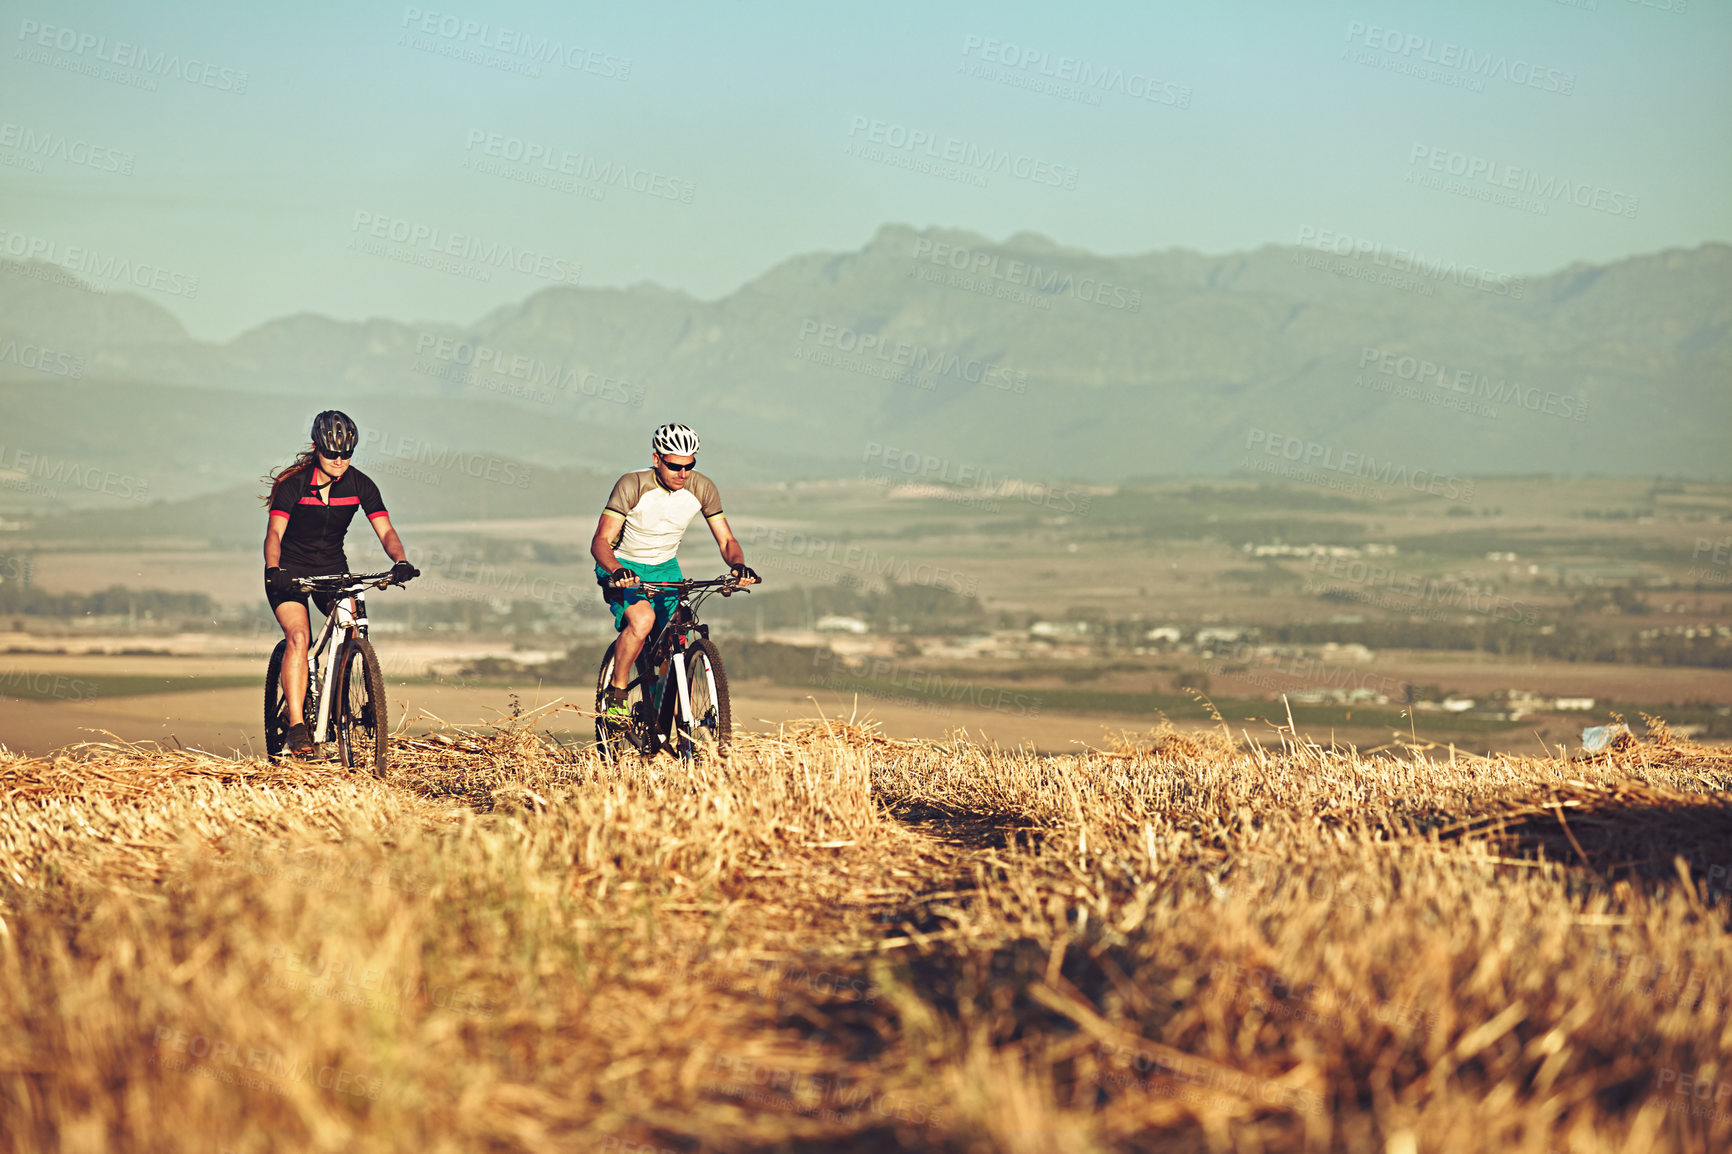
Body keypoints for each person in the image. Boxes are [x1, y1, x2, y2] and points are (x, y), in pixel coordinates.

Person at [262, 410, 418, 755]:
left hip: (333, 568)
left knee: (350, 625)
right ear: (317, 448)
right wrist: (274, 568)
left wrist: (400, 561)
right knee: (299, 636)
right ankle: (297, 726)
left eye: (347, 453)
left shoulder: (360, 484)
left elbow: (386, 530)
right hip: (289, 569)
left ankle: (340, 689)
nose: (339, 460)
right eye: (332, 453)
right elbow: (274, 533)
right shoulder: (294, 485)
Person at [590, 422, 757, 722]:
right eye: (674, 466)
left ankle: (665, 709)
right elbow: (601, 542)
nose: (682, 474)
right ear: (657, 459)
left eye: (689, 466)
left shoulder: (703, 488)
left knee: (679, 629)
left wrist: (737, 565)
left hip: (666, 568)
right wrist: (617, 570)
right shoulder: (632, 485)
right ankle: (617, 691)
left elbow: (727, 540)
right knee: (643, 620)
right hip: (624, 565)